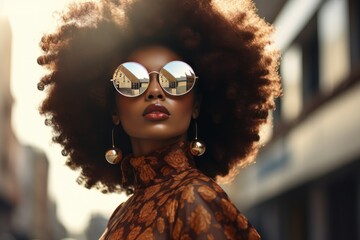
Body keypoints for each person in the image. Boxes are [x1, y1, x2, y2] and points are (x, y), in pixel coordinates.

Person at [37, 0, 281, 239]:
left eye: (176, 78)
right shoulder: (123, 213)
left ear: (196, 105)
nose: (155, 91)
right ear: (113, 109)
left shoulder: (195, 196)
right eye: (132, 81)